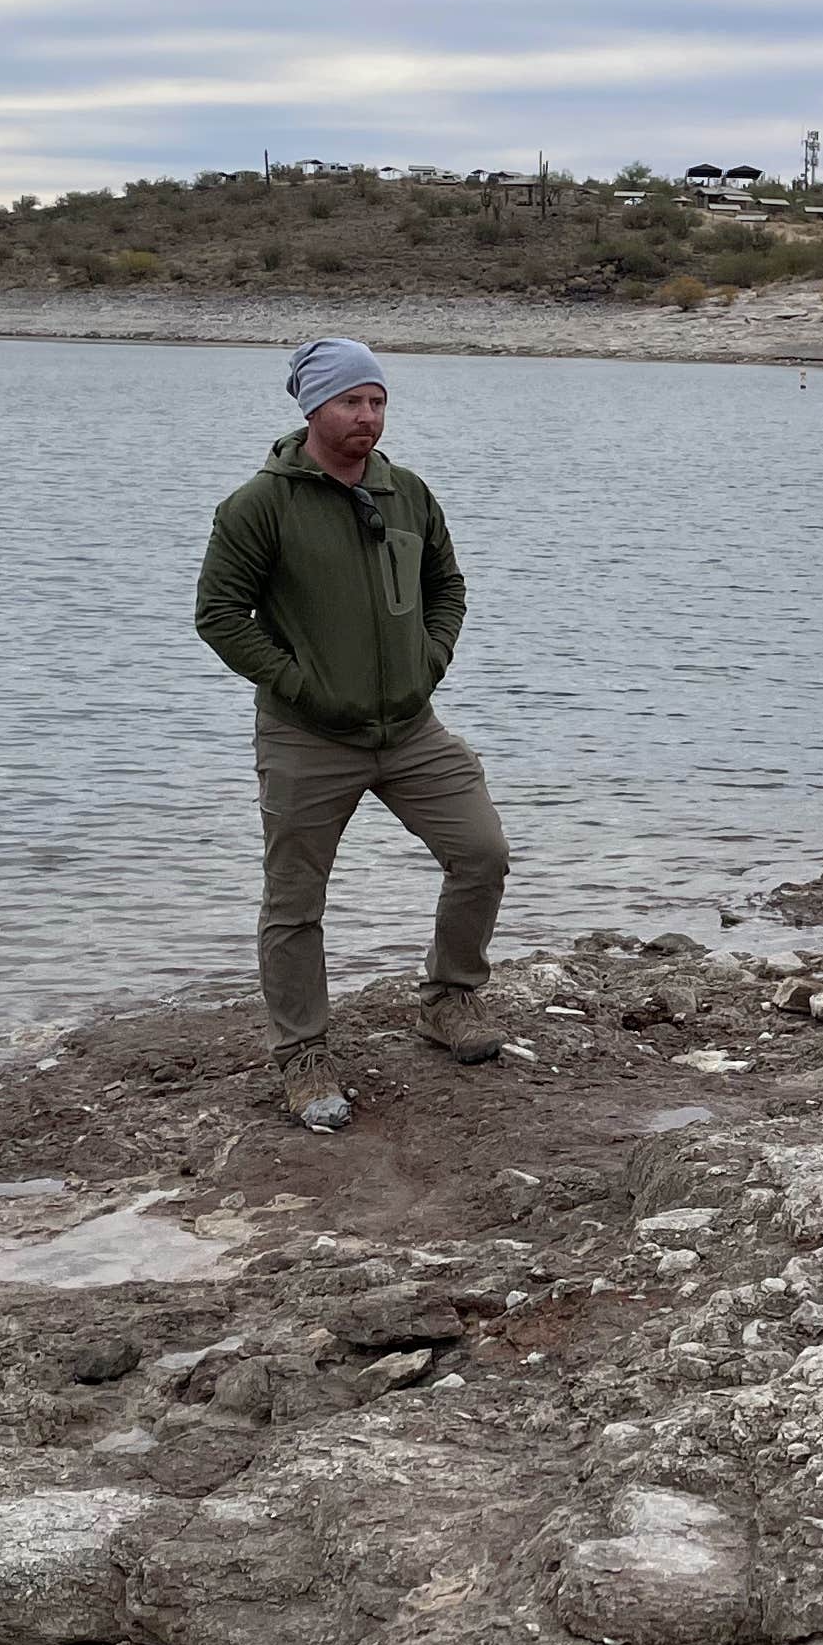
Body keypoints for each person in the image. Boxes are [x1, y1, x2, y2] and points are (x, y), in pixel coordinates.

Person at [191, 340, 509, 1129]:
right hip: (307, 736)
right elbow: (220, 615)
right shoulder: (258, 506)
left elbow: (447, 587)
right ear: (313, 409)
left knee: (481, 853)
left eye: (377, 401)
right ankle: (302, 1056)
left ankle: (448, 999)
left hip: (409, 728)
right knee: (294, 902)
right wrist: (302, 685)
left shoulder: (408, 494)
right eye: (350, 402)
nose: (367, 416)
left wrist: (429, 661)